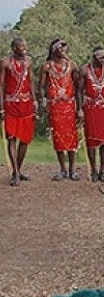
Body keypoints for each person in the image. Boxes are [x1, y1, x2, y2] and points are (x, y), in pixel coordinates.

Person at [38, 38, 82, 181]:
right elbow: (41, 86)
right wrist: (43, 100)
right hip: (55, 107)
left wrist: (80, 108)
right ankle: (62, 169)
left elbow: (79, 86)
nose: (63, 49)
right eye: (60, 47)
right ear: (53, 50)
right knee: (58, 138)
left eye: (65, 46)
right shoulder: (47, 67)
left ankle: (72, 169)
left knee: (71, 138)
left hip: (69, 106)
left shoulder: (72, 65)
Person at [0, 37, 38, 186]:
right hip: (10, 105)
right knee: (11, 138)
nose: (25, 50)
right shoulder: (5, 62)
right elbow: (1, 86)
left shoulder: (28, 61)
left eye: (25, 47)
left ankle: (18, 169)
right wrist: (1, 108)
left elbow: (31, 82)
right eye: (22, 48)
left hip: (26, 104)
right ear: (14, 48)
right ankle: (14, 172)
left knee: (25, 139)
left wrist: (34, 101)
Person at [79, 46, 104, 182]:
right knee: (91, 140)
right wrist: (79, 109)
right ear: (94, 57)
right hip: (90, 109)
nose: (103, 60)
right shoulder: (84, 70)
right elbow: (79, 90)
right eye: (101, 57)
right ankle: (93, 170)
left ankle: (103, 170)